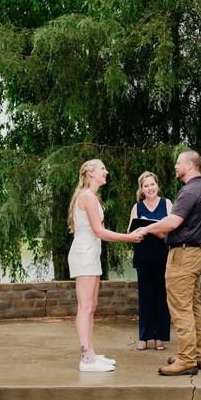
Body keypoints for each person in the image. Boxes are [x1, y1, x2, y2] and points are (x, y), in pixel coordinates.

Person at [132, 150, 201, 376]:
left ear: (189, 165)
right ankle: (195, 354)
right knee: (193, 307)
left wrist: (146, 228)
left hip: (185, 257)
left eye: (178, 163)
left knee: (181, 309)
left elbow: (173, 221)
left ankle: (186, 360)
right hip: (196, 254)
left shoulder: (189, 190)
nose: (175, 166)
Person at [68, 158, 142, 372]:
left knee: (92, 305)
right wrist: (129, 238)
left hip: (91, 253)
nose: (106, 172)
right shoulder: (87, 197)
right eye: (102, 169)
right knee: (85, 307)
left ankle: (91, 352)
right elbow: (99, 232)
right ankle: (86, 358)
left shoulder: (92, 197)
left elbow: (97, 232)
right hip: (84, 254)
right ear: (91, 173)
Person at [127, 171, 172, 352]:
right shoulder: (137, 207)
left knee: (161, 297)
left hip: (162, 257)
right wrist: (140, 230)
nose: (150, 188)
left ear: (157, 184)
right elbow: (130, 232)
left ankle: (160, 337)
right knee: (145, 298)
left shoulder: (167, 203)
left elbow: (171, 231)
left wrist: (151, 228)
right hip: (143, 257)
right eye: (146, 186)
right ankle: (143, 337)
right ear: (142, 189)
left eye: (152, 184)